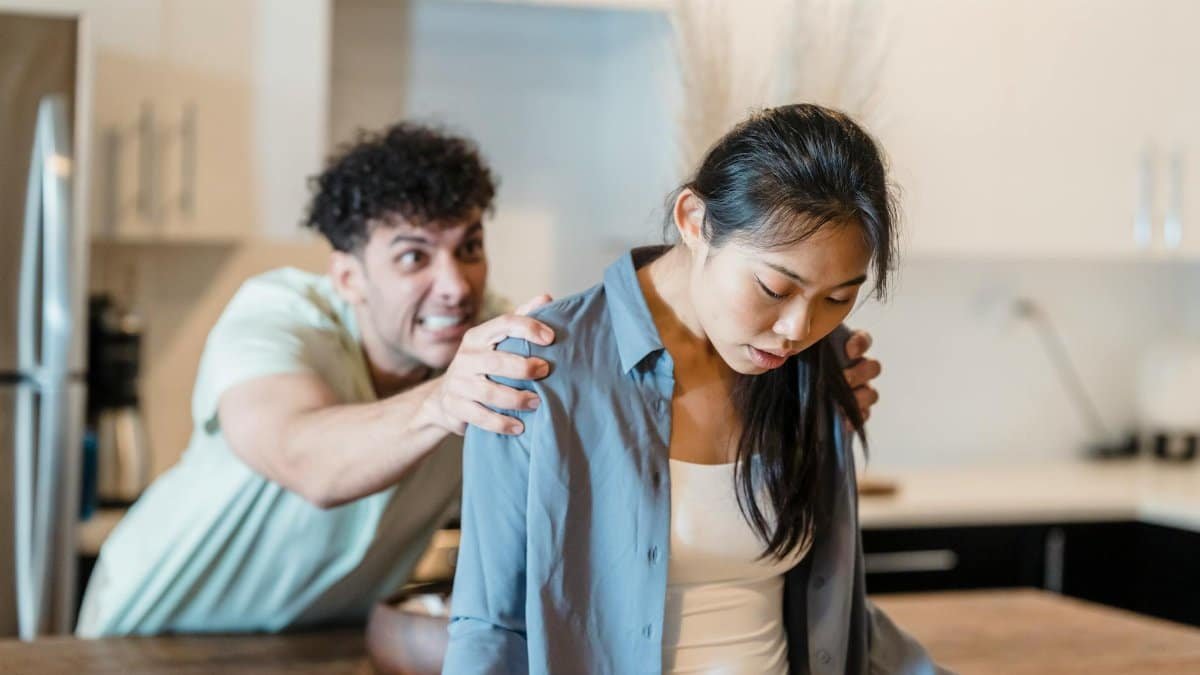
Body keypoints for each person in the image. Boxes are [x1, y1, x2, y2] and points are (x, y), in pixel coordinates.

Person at [75, 121, 885, 637]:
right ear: (347, 276)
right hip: (154, 631)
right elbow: (304, 458)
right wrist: (444, 401)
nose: (454, 283)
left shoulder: (500, 336)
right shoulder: (280, 313)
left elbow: (615, 355)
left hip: (320, 635)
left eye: (467, 246)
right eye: (411, 256)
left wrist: (793, 357)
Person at [444, 104, 948, 674]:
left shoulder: (824, 363)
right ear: (693, 220)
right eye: (775, 287)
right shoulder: (539, 369)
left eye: (837, 299)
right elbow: (489, 627)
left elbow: (832, 612)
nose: (797, 331)